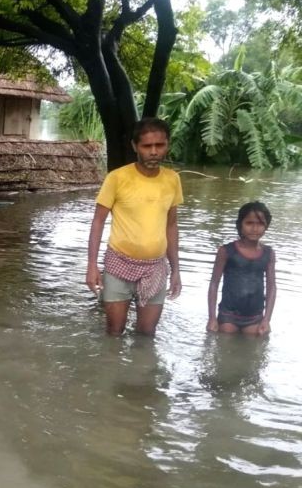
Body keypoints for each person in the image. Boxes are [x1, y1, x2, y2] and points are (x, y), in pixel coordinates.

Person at [86, 117, 183, 336]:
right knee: (114, 331)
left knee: (147, 333)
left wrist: (176, 270)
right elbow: (98, 221)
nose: (154, 152)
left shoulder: (172, 180)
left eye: (160, 145)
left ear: (168, 145)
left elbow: (172, 225)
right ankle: (112, 369)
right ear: (135, 146)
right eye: (147, 146)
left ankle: (141, 370)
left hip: (155, 268)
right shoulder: (117, 178)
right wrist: (92, 265)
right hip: (118, 264)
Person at [207, 201, 276, 336]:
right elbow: (214, 283)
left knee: (254, 353)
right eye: (249, 223)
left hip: (255, 318)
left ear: (266, 226)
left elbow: (272, 287)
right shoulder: (226, 251)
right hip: (228, 316)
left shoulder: (268, 253)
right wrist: (212, 318)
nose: (255, 229)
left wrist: (266, 319)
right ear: (240, 224)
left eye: (260, 224)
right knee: (223, 350)